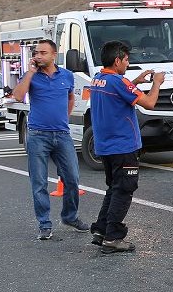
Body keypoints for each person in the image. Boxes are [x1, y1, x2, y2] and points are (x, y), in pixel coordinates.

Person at [88, 40, 160, 253]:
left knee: (114, 189)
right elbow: (149, 103)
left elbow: (122, 91)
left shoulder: (99, 78)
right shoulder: (118, 82)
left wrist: (135, 81)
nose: (128, 63)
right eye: (126, 59)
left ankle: (101, 230)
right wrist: (157, 83)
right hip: (123, 145)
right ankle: (113, 237)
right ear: (117, 60)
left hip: (106, 146)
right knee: (124, 189)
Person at [10, 39, 86, 240]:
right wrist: (30, 72)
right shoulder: (31, 77)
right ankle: (44, 223)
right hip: (37, 135)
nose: (38, 56)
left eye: (43, 53)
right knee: (39, 182)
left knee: (72, 178)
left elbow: (71, 98)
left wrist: (64, 119)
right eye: (36, 53)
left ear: (54, 55)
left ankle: (70, 216)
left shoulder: (67, 76)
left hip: (62, 134)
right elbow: (18, 96)